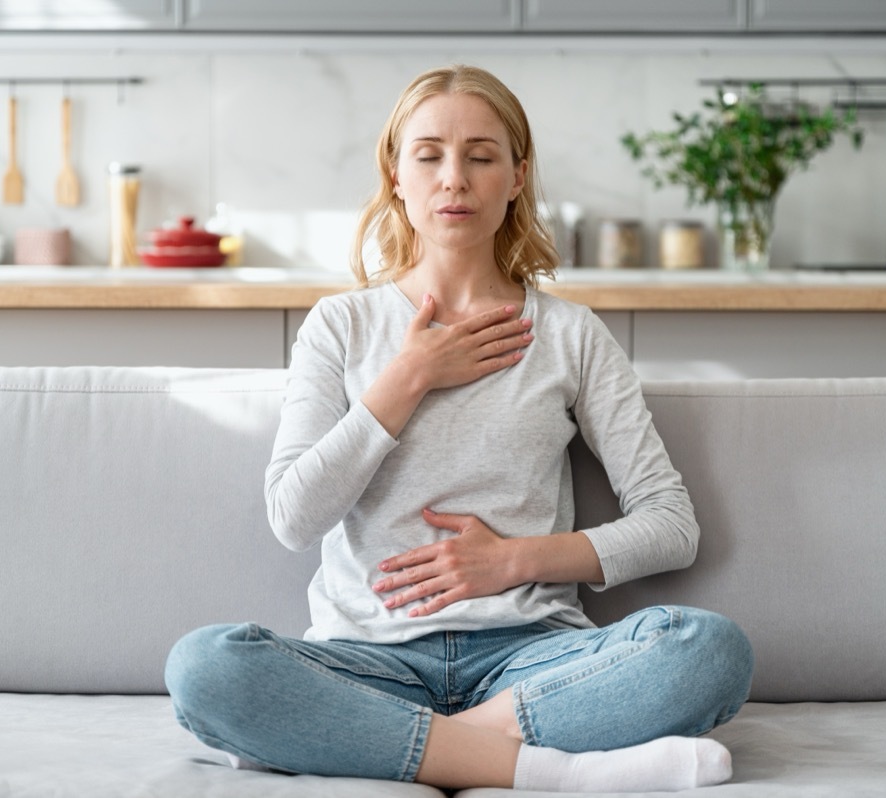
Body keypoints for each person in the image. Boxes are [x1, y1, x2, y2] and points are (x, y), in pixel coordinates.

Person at [165, 64, 753, 793]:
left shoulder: (570, 335)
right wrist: (407, 378)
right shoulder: (340, 327)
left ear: (516, 178)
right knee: (204, 667)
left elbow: (671, 524)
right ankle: (554, 772)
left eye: (481, 156)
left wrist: (515, 561)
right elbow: (294, 517)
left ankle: (367, 742)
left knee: (709, 650)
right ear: (396, 173)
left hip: (529, 661)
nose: (455, 179)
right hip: (369, 661)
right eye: (429, 155)